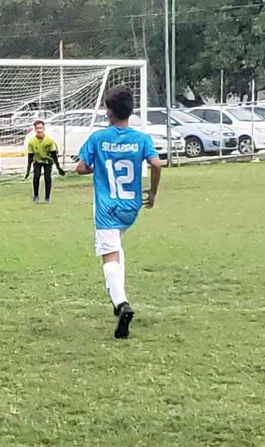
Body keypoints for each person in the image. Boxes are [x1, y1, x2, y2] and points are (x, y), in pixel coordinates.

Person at [76, 88, 162, 339]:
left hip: (107, 207)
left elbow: (81, 168)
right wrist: (153, 193)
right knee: (117, 247)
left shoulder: (99, 137)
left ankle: (121, 303)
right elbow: (156, 163)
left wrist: (96, 166)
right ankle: (118, 298)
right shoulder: (142, 139)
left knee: (108, 254)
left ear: (109, 112)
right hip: (131, 205)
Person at [25, 120, 65, 204]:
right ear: (35, 130)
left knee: (47, 178)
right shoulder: (32, 142)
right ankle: (36, 196)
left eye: (41, 128)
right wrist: (28, 170)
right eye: (37, 128)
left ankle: (47, 198)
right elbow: (30, 156)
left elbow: (54, 155)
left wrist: (58, 168)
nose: (39, 130)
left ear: (44, 129)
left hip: (47, 161)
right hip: (37, 161)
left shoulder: (49, 141)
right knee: (36, 176)